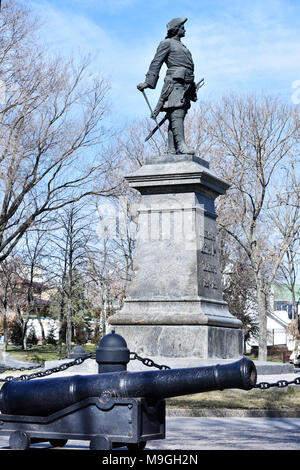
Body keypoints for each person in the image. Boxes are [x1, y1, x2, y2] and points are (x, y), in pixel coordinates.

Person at [137, 17, 197, 155]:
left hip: (186, 85)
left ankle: (171, 149)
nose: (185, 30)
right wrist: (148, 82)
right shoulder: (166, 43)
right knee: (177, 113)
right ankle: (181, 146)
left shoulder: (183, 47)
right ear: (176, 29)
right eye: (182, 27)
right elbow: (156, 63)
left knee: (175, 116)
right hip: (174, 84)